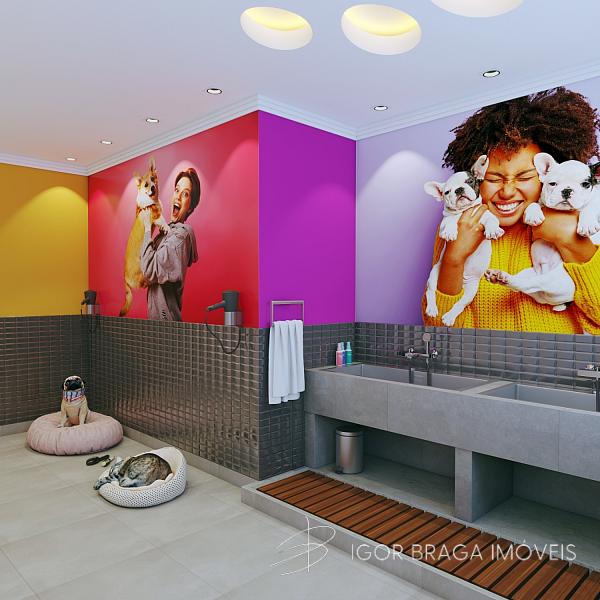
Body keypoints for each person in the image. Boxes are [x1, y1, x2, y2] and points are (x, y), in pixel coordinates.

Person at [422, 87, 600, 333]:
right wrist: (454, 258)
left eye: (524, 177)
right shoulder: (460, 225)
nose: (507, 191)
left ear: (546, 174)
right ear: (478, 178)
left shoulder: (585, 221)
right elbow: (439, 333)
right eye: (494, 178)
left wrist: (570, 240)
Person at [140, 167, 199, 321]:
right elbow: (143, 272)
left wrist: (147, 228)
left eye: (185, 194)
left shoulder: (180, 237)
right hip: (156, 324)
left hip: (167, 325)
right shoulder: (166, 235)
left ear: (190, 207)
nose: (178, 196)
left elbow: (148, 270)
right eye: (177, 190)